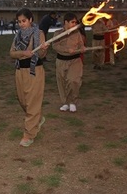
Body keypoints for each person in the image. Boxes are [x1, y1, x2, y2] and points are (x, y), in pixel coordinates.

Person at [10, 8, 48, 147]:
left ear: (31, 20)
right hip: (20, 71)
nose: (21, 24)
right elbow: (11, 53)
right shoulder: (18, 34)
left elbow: (42, 56)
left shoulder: (39, 33)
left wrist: (43, 49)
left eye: (24, 21)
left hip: (34, 70)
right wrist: (22, 53)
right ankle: (37, 118)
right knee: (23, 100)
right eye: (19, 21)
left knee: (32, 102)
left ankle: (28, 135)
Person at [52, 12, 85, 113]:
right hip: (61, 61)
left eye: (75, 22)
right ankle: (65, 103)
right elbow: (55, 46)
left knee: (73, 80)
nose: (74, 24)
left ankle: (73, 102)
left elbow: (81, 45)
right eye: (72, 22)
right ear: (66, 22)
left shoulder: (77, 33)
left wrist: (82, 48)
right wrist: (67, 49)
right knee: (62, 82)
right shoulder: (58, 33)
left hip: (75, 61)